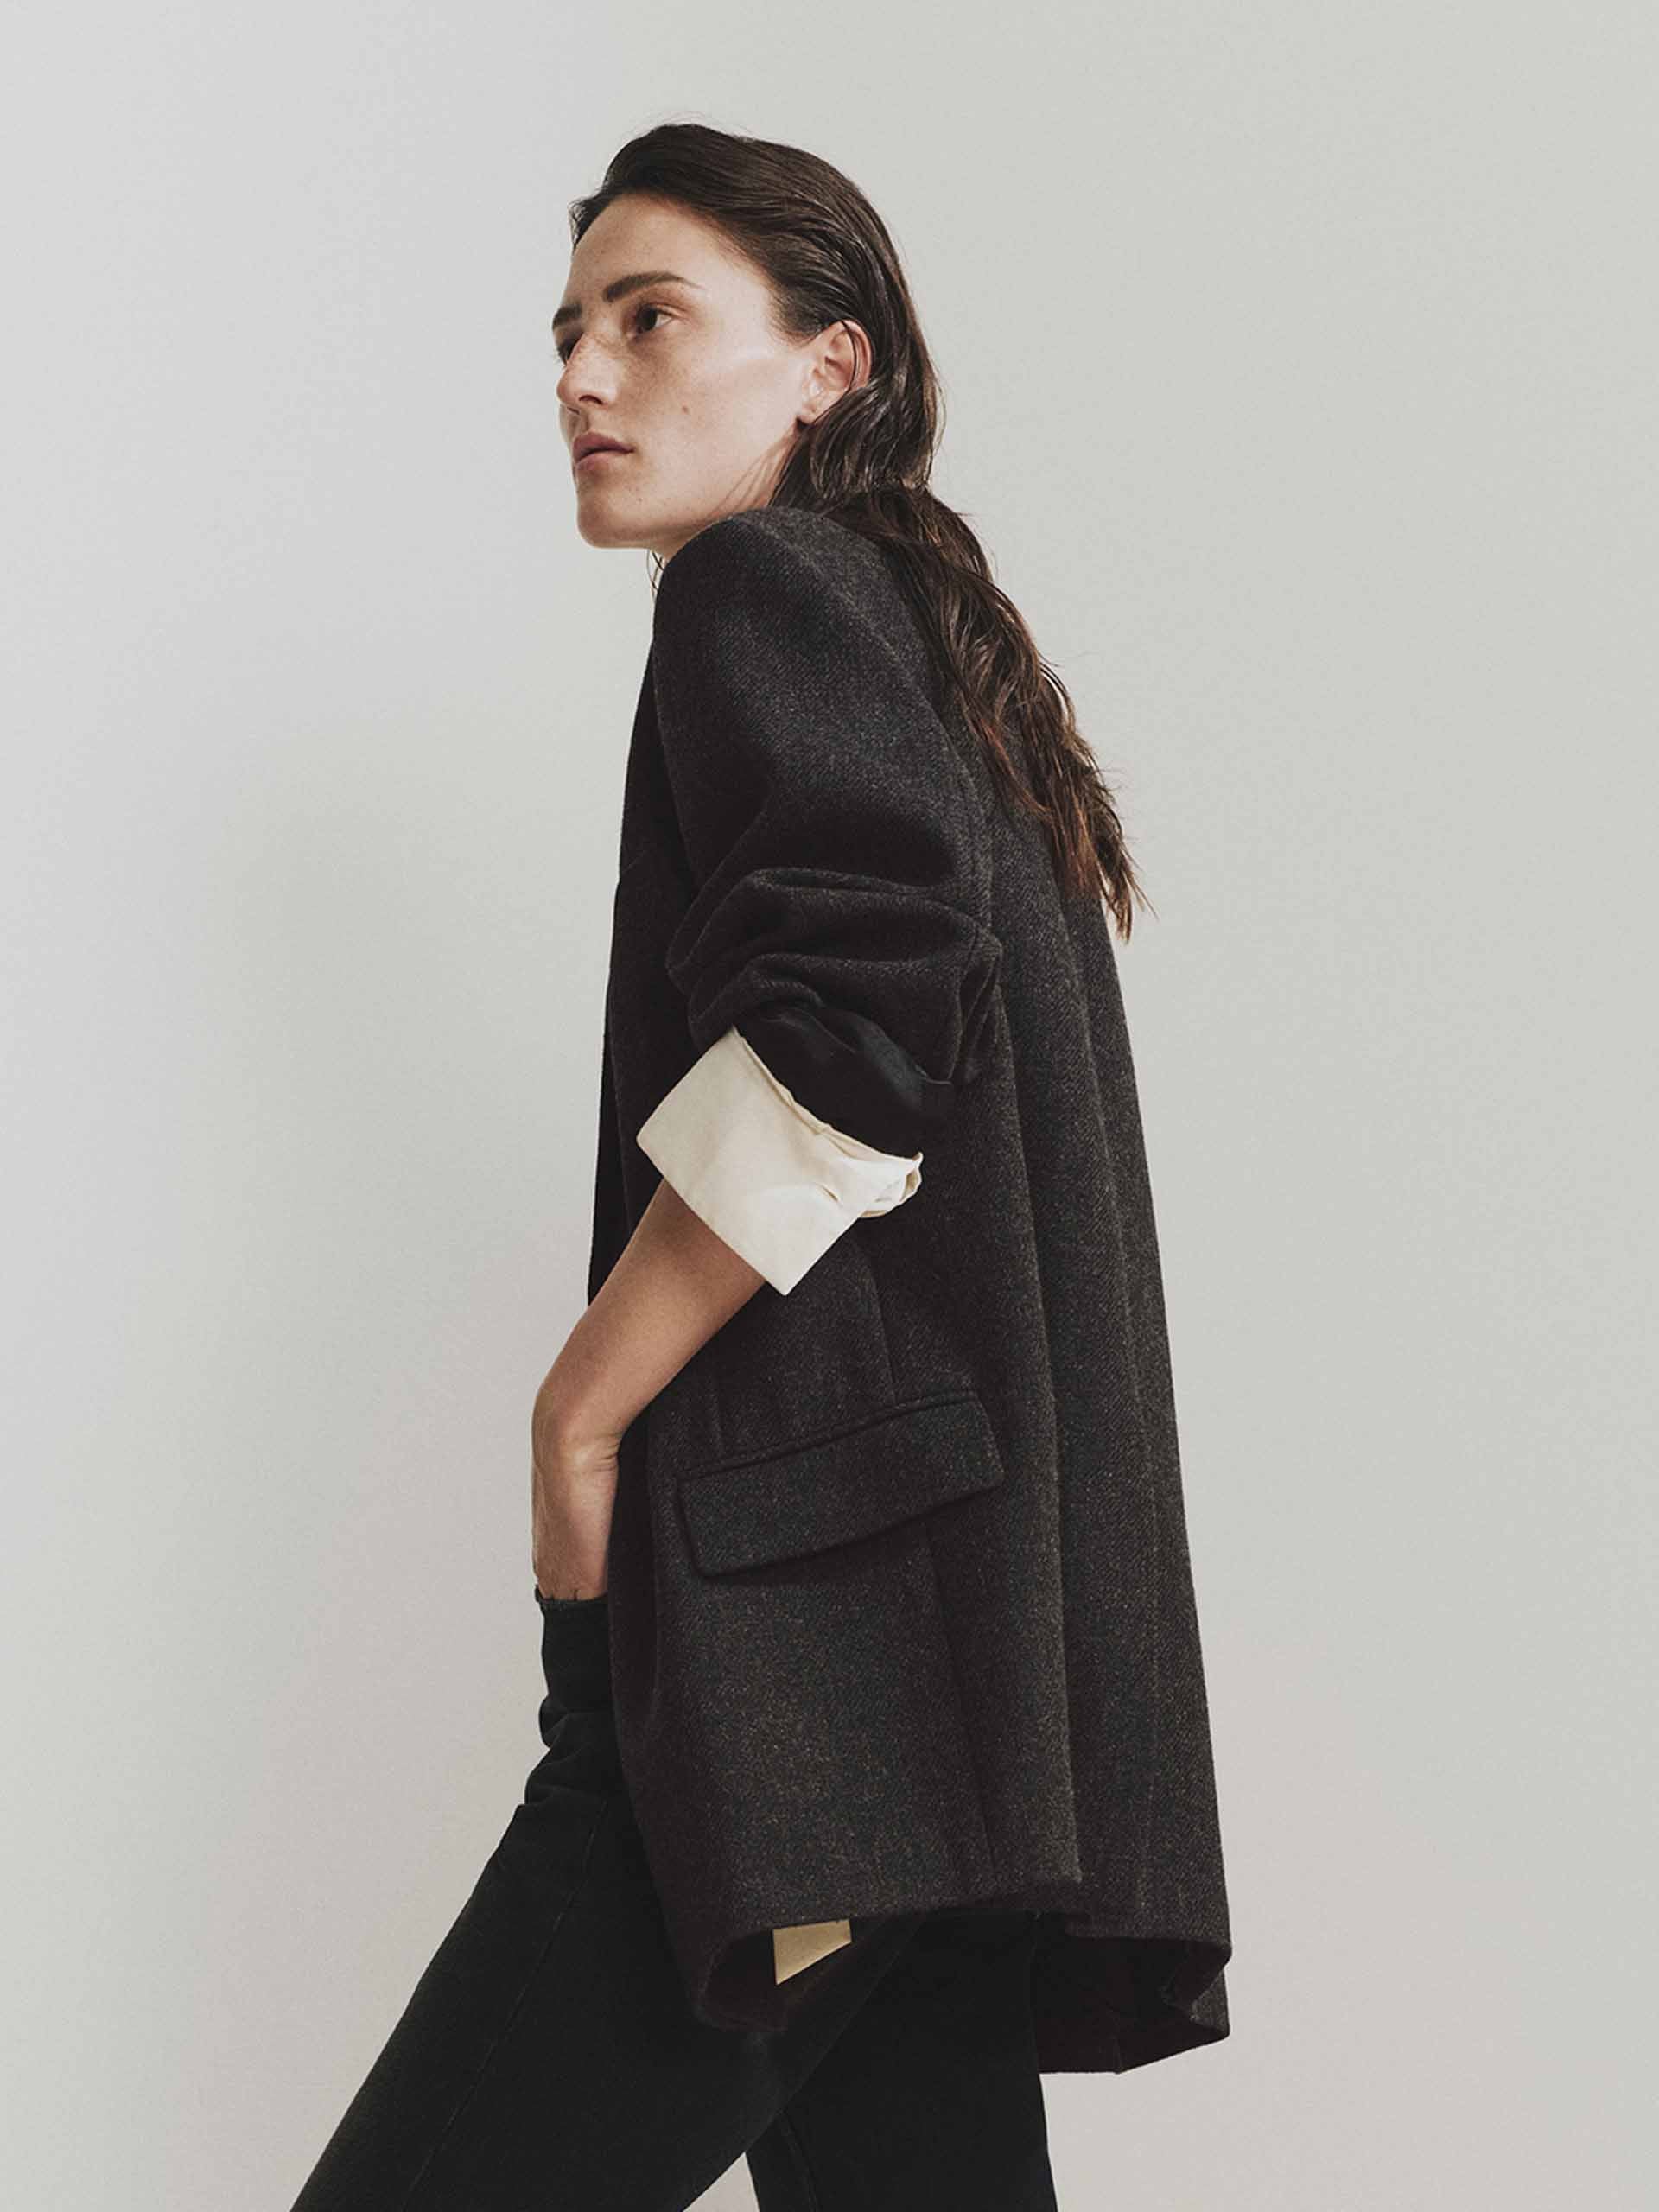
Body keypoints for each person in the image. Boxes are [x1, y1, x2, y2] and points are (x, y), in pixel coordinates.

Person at [289, 119, 1230, 2212]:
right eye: (568, 332)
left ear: (830, 364)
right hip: (950, 1678)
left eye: (650, 319)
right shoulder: (932, 643)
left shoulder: (765, 586)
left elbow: (858, 1025)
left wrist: (583, 1402)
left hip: (812, 1677)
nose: (582, 374)